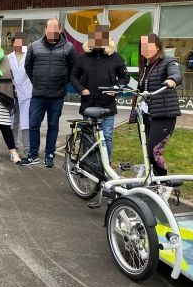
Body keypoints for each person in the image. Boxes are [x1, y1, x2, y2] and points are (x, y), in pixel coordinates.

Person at [70, 24, 130, 161]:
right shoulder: (82, 58)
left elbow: (124, 77)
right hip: (88, 105)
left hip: (107, 105)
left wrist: (115, 89)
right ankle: (88, 164)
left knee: (107, 135)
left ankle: (106, 165)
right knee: (88, 135)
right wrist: (81, 89)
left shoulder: (115, 57)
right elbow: (73, 76)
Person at [21, 18, 76, 168]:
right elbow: (28, 67)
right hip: (38, 95)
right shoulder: (34, 46)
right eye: (49, 29)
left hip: (57, 96)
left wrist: (62, 83)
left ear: (60, 30)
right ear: (45, 30)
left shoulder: (69, 48)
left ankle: (49, 155)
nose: (51, 32)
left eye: (55, 29)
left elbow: (73, 70)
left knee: (53, 125)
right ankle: (33, 155)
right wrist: (36, 82)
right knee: (33, 125)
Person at [139, 33, 182, 176]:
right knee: (146, 151)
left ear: (157, 47)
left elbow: (176, 73)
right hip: (147, 114)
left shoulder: (168, 61)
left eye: (150, 46)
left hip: (164, 114)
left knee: (153, 151)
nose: (146, 50)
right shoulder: (145, 66)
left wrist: (172, 80)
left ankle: (163, 181)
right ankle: (152, 181)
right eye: (143, 47)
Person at [8, 33, 32, 158]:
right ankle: (14, 148)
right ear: (12, 43)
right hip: (12, 93)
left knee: (26, 121)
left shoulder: (29, 55)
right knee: (13, 121)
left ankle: (27, 148)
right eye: (15, 42)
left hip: (26, 93)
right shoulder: (8, 58)